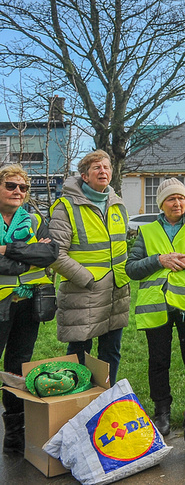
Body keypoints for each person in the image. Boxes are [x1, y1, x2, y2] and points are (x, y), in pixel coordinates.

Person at [126, 178, 185, 435]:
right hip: (156, 305)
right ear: (161, 204)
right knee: (158, 360)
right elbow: (132, 269)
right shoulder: (146, 232)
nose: (177, 203)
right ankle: (162, 412)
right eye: (171, 198)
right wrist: (159, 260)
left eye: (181, 198)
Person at [50, 150, 130, 384]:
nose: (103, 171)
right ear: (84, 176)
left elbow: (121, 247)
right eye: (97, 168)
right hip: (83, 293)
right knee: (78, 355)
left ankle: (106, 402)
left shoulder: (118, 205)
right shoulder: (66, 207)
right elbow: (55, 254)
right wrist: (87, 279)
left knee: (111, 353)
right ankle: (74, 406)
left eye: (106, 167)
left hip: (116, 293)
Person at [0, 165, 59, 454]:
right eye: (11, 185)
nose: (18, 192)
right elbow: (37, 254)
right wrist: (29, 255)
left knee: (17, 368)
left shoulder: (33, 219)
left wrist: (6, 249)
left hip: (28, 306)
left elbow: (50, 253)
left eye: (23, 188)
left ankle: (14, 435)